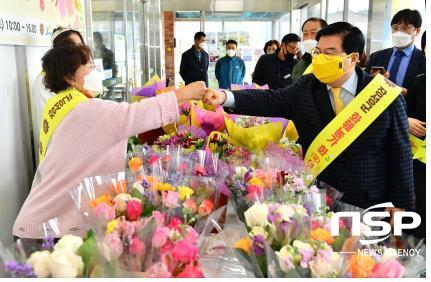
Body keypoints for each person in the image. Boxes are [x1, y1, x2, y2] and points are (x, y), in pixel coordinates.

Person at [204, 22, 414, 213]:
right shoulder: (307, 86)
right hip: (319, 199)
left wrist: (400, 203)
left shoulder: (384, 95)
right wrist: (225, 97)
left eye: (330, 53)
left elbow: (400, 153)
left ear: (353, 58)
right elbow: (270, 100)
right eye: (318, 52)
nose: (321, 59)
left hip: (369, 202)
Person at [13, 44, 207, 239]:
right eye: (89, 65)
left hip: (44, 222)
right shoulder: (87, 111)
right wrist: (186, 93)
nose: (95, 70)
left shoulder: (61, 105)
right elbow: (136, 114)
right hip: (48, 232)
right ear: (70, 77)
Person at [31, 27, 85, 158]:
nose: (80, 51)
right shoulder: (45, 80)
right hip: (58, 151)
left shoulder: (75, 74)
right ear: (60, 50)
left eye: (81, 45)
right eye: (74, 46)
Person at [365, 9, 425, 100]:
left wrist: (402, 92)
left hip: (407, 112)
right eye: (395, 28)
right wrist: (371, 80)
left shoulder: (424, 60)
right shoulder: (376, 57)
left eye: (405, 28)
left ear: (417, 31)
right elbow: (363, 84)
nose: (399, 32)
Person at [406, 31, 426, 239]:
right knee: (421, 199)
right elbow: (407, 109)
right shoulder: (420, 79)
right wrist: (407, 121)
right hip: (420, 153)